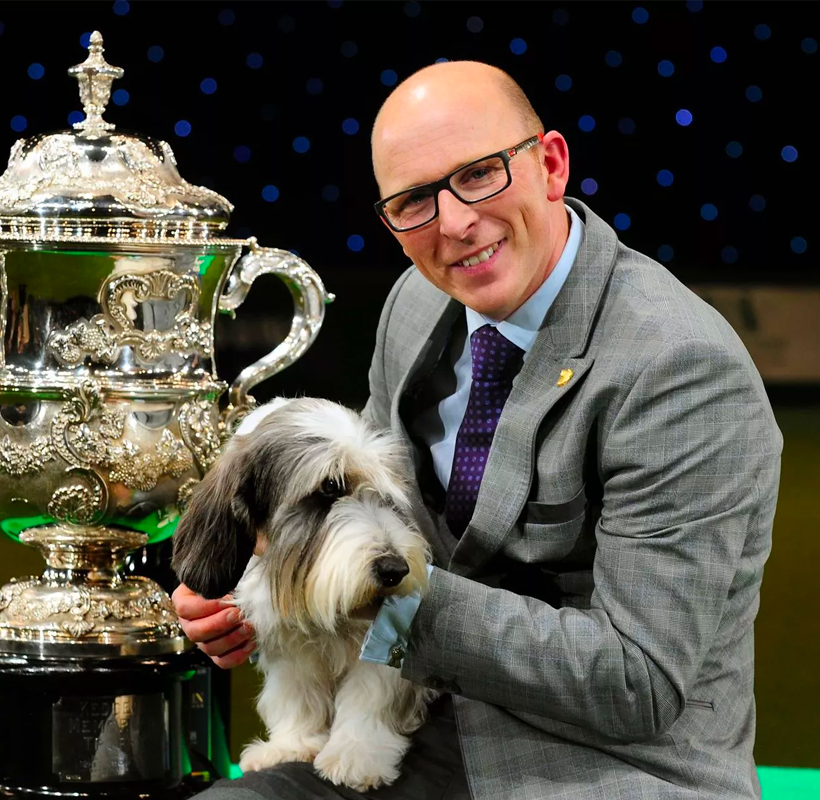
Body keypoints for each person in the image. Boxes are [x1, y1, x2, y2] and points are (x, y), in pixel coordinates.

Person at [172, 60, 783, 799]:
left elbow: (637, 683)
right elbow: (367, 510)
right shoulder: (416, 302)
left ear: (550, 165)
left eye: (480, 174)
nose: (455, 223)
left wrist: (395, 597)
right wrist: (264, 590)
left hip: (601, 768)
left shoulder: (680, 368)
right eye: (414, 200)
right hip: (401, 726)